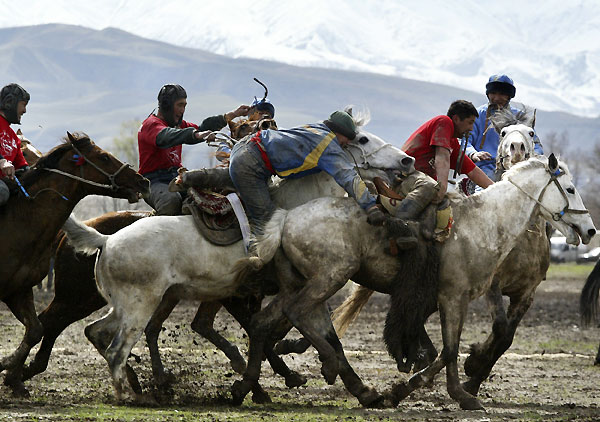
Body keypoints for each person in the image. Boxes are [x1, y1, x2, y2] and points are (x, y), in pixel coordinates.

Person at [228, 110, 386, 236]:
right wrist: (370, 206)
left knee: (225, 179)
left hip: (244, 149)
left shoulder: (314, 129)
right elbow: (348, 176)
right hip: (252, 164)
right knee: (269, 222)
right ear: (339, 132)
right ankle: (254, 265)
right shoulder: (328, 145)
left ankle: (204, 176)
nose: (348, 143)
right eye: (348, 137)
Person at [138, 83, 250, 215]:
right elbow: (165, 136)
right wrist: (195, 135)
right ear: (167, 105)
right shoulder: (151, 125)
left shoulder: (178, 125)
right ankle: (158, 233)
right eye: (180, 105)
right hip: (153, 181)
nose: (182, 110)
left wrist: (232, 115)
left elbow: (201, 128)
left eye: (184, 105)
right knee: (170, 200)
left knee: (205, 195)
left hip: (174, 176)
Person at [400, 100, 494, 212]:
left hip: (420, 182)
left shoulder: (452, 143)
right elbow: (442, 157)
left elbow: (473, 171)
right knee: (430, 188)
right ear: (456, 119)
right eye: (470, 122)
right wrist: (442, 188)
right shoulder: (444, 122)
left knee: (450, 206)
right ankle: (401, 222)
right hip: (404, 174)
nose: (471, 128)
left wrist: (497, 189)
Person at [465, 74, 543, 180]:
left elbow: (536, 144)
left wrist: (533, 157)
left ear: (509, 96)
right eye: (493, 93)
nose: (497, 98)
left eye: (502, 94)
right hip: (483, 168)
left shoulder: (519, 117)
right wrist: (473, 154)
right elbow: (464, 141)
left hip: (517, 168)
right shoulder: (477, 115)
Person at [0, 83, 30, 206]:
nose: (25, 110)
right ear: (10, 102)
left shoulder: (13, 137)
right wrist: (1, 161)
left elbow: (22, 167)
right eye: (23, 104)